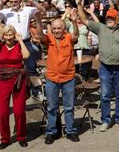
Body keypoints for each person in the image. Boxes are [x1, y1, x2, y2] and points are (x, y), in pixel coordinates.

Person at [76, 0, 119, 132]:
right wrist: (78, 4)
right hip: (105, 67)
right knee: (105, 95)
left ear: (117, 19)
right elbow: (84, 20)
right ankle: (105, 120)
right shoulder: (101, 28)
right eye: (108, 18)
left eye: (112, 18)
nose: (110, 20)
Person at [36, 12, 80, 144]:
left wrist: (74, 22)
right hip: (52, 78)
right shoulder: (48, 38)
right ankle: (51, 132)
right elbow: (40, 35)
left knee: (69, 107)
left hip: (68, 78)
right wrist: (38, 21)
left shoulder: (68, 37)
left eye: (58, 28)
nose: (56, 31)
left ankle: (70, 131)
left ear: (64, 29)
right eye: (54, 28)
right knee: (51, 107)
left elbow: (76, 35)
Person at [0, 0, 45, 100]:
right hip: (11, 42)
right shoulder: (5, 11)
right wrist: (1, 2)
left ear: (20, 1)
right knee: (12, 68)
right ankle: (17, 91)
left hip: (25, 42)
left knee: (31, 67)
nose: (13, 3)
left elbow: (42, 10)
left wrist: (33, 1)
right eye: (11, 1)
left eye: (16, 1)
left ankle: (35, 91)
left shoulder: (27, 9)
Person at [0, 26, 30, 150]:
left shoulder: (19, 45)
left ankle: (21, 137)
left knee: (19, 111)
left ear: (14, 35)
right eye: (6, 35)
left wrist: (20, 40)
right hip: (3, 81)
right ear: (3, 36)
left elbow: (26, 56)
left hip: (18, 81)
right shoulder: (0, 46)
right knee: (3, 112)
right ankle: (5, 138)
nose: (8, 38)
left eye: (11, 35)